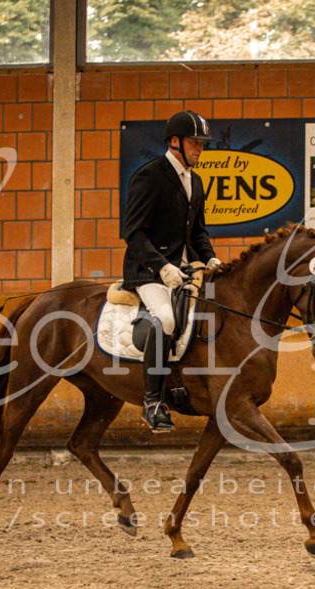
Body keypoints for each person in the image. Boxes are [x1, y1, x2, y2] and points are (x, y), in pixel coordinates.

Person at [120, 110, 222, 433]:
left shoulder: (196, 181)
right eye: (195, 142)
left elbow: (197, 234)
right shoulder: (149, 176)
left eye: (202, 144)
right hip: (148, 272)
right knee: (165, 318)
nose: (200, 149)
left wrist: (211, 259)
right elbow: (133, 233)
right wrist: (161, 266)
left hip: (184, 270)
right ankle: (153, 403)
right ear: (175, 142)